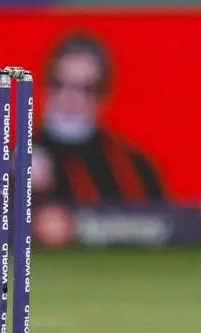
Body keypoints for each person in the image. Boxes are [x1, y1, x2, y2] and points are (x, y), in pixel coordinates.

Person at [34, 33, 165, 207]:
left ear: (103, 97)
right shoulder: (14, 162)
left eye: (85, 89)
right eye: (59, 84)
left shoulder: (132, 168)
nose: (69, 98)